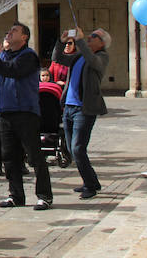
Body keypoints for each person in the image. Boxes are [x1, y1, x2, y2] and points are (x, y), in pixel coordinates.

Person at [0, 22, 53, 211]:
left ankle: (44, 196)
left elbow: (12, 70)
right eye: (9, 30)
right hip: (5, 111)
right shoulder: (3, 55)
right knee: (9, 157)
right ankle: (16, 195)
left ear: (24, 37)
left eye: (14, 31)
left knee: (34, 155)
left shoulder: (29, 56)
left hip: (25, 111)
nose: (9, 33)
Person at [60, 27, 109, 200]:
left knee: (78, 148)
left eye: (94, 36)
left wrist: (80, 41)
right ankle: (92, 181)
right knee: (72, 150)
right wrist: (63, 41)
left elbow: (93, 61)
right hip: (69, 107)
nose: (89, 37)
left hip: (84, 109)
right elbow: (58, 59)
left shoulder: (102, 57)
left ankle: (90, 186)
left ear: (102, 43)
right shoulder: (79, 56)